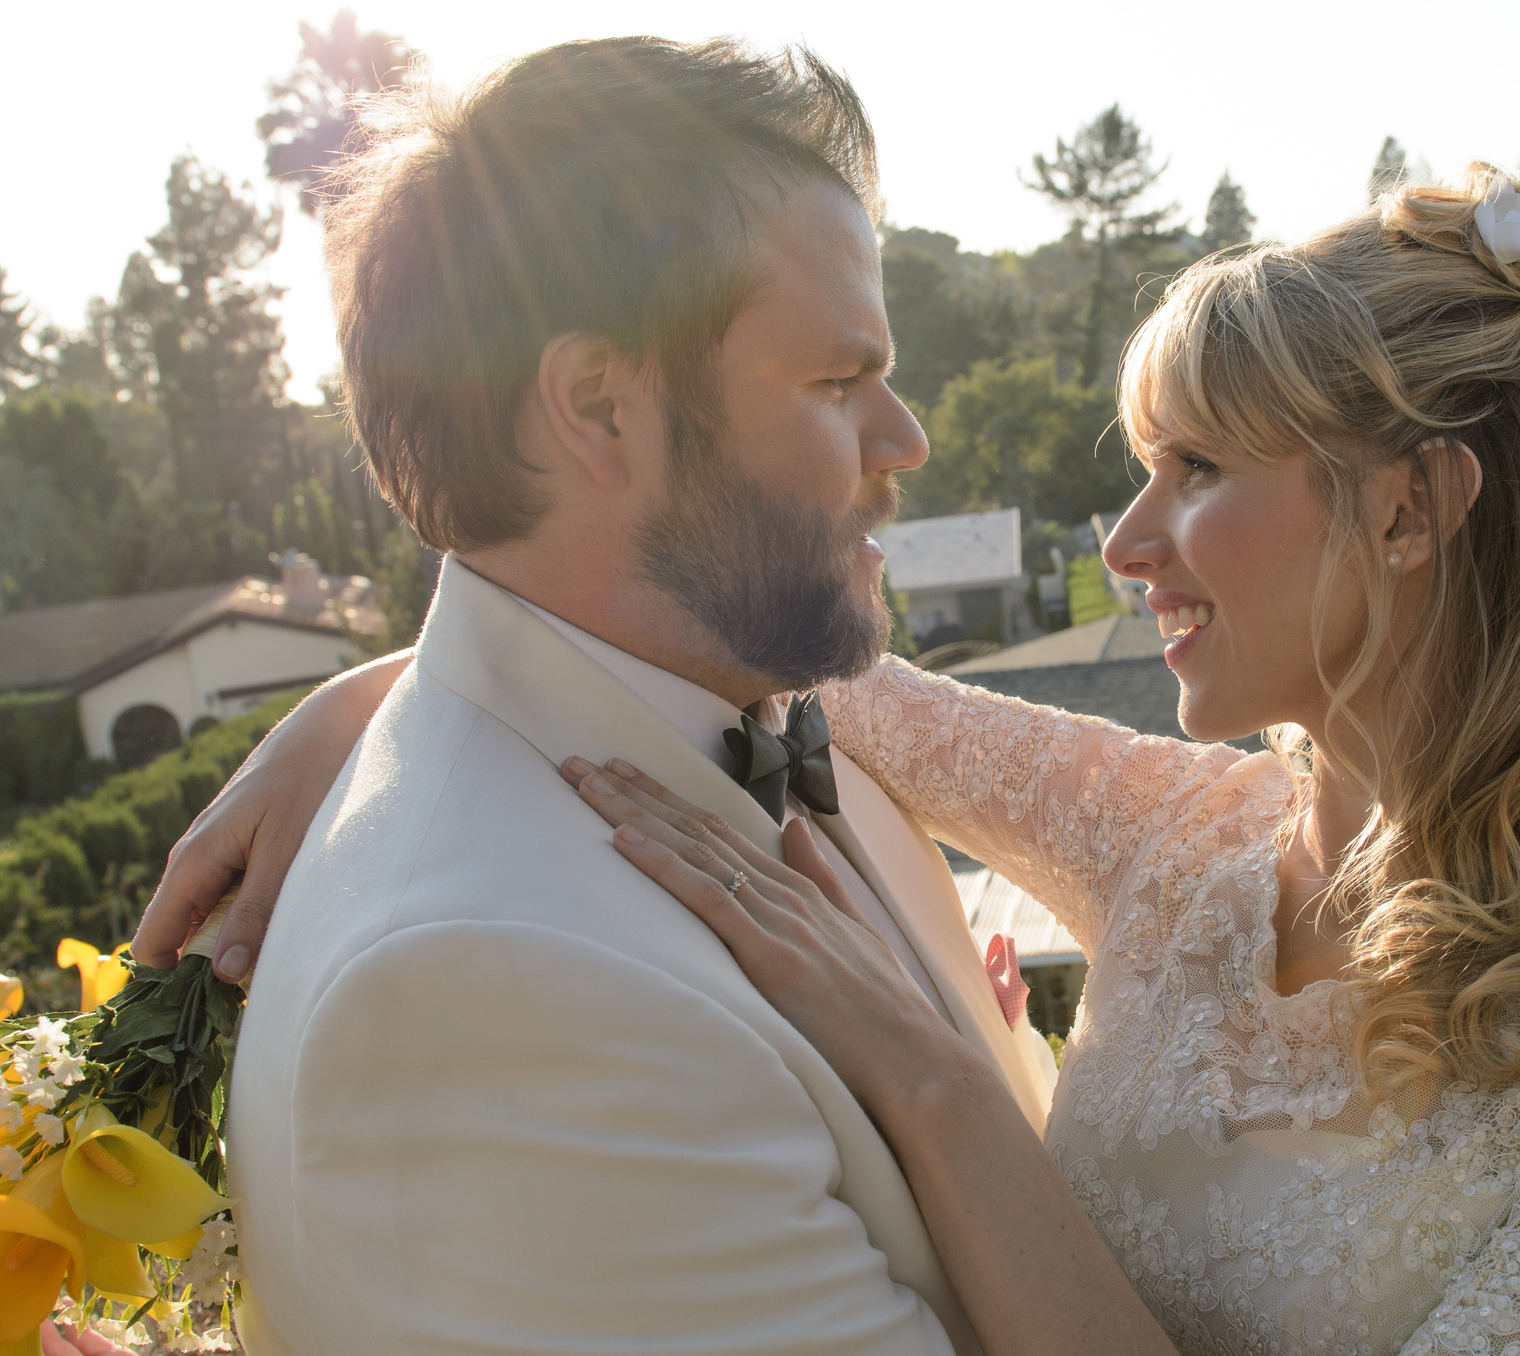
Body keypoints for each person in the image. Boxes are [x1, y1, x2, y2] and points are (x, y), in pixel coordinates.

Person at [124, 156, 1520, 1356]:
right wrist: (356, 706)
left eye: (1197, 470)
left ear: (1413, 507)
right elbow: (685, 646)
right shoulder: (1180, 839)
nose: (1127, 539)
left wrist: (941, 1088)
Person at [96, 35, 1172, 1356]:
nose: (906, 439)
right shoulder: (501, 995)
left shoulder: (760, 714)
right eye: (839, 381)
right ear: (599, 405)